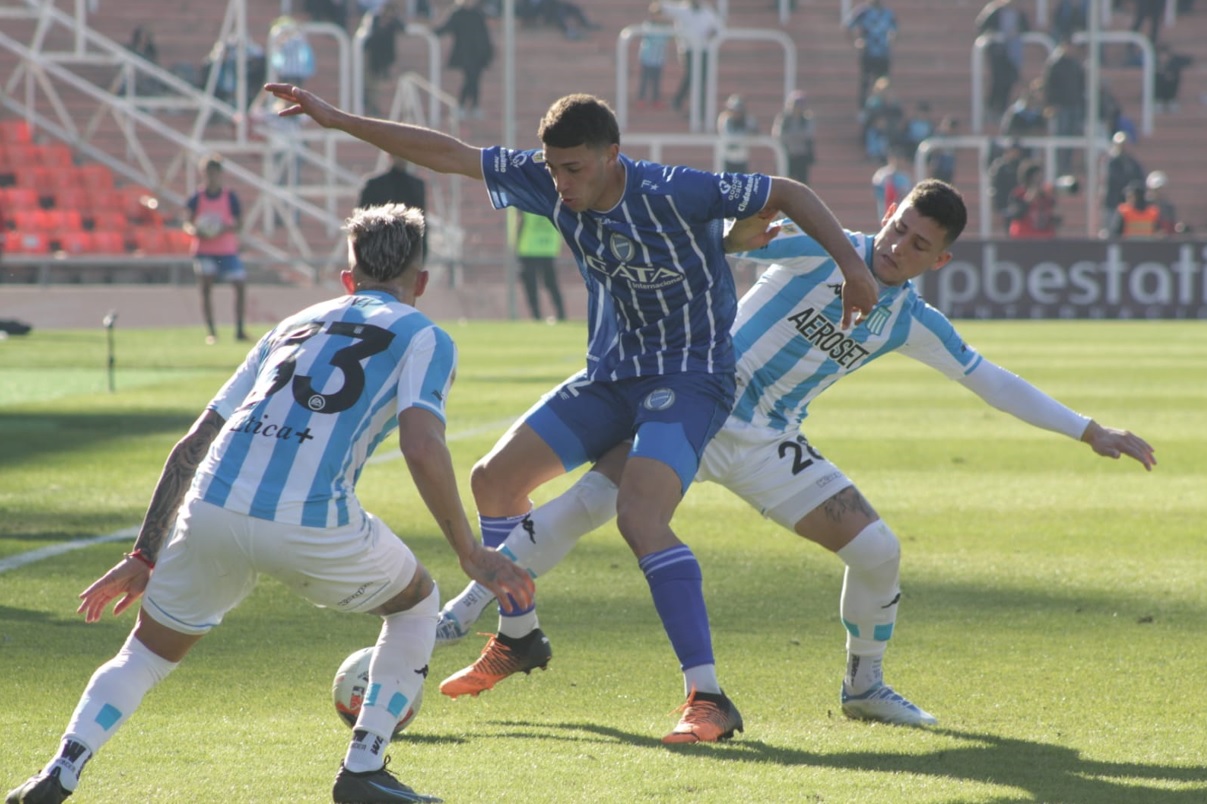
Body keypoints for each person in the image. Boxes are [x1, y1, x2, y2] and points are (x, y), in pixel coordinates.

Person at [263, 83, 879, 743]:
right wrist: (334, 119)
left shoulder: (677, 188)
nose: (559, 182)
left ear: (612, 154)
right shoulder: (544, 179)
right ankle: (519, 639)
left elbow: (785, 190)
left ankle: (708, 697)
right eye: (552, 167)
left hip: (690, 376)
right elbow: (447, 154)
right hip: (610, 375)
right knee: (494, 479)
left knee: (639, 519)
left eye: (574, 168)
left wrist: (850, 265)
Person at [432, 179, 1157, 729]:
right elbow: (714, 246)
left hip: (768, 441)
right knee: (587, 507)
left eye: (914, 244)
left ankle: (864, 687)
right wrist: (736, 234)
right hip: (691, 406)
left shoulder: (911, 319)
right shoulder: (821, 243)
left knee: (877, 552)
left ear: (938, 260)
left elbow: (989, 381)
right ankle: (459, 618)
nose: (894, 245)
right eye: (897, 226)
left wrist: (1088, 429)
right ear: (890, 213)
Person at [3, 204, 535, 804]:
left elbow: (193, 444)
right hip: (311, 520)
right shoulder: (425, 336)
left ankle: (60, 770)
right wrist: (469, 551)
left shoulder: (291, 325)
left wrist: (144, 555)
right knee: (416, 604)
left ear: (347, 278)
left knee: (145, 655)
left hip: (210, 509)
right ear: (421, 282)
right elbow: (421, 442)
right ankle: (363, 770)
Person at [184, 154, 247, 345]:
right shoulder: (197, 197)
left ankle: (239, 330)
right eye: (208, 173)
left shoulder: (230, 197)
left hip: (227, 250)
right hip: (204, 250)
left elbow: (239, 224)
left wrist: (223, 229)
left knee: (240, 284)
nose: (211, 177)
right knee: (206, 288)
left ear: (220, 174)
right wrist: (195, 230)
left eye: (214, 173)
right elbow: (187, 222)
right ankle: (211, 332)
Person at [658, 0, 723, 118]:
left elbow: (718, 27)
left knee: (699, 79)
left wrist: (712, 33)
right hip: (689, 50)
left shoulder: (707, 11)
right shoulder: (683, 10)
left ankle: (696, 107)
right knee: (692, 76)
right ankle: (683, 102)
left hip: (704, 51)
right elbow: (662, 7)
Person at [359, 155, 428, 259]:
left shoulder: (374, 184)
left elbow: (421, 222)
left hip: (400, 249)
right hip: (380, 249)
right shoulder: (416, 185)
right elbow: (361, 221)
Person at [434, 0, 494, 120]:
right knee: (470, 79)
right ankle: (463, 106)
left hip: (478, 54)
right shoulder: (458, 14)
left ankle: (473, 106)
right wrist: (433, 32)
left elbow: (484, 34)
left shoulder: (478, 14)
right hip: (465, 54)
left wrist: (488, 52)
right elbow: (446, 27)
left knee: (475, 80)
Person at [975, 0, 1031, 119]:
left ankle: (1003, 110)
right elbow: (983, 26)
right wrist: (993, 33)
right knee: (998, 81)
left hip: (1013, 53)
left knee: (1010, 81)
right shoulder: (994, 11)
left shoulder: (1019, 13)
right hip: (998, 53)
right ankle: (992, 108)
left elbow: (1027, 28)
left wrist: (1017, 30)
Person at [1042, 37, 1085, 175]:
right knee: (1060, 137)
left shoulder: (1075, 64)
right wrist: (1051, 104)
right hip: (1060, 107)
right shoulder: (1055, 64)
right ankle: (1058, 167)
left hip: (1074, 106)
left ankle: (1067, 165)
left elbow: (1081, 85)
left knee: (1071, 137)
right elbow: (1049, 86)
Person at [844, 0, 898, 110]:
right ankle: (863, 110)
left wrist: (892, 39)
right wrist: (856, 42)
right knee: (866, 82)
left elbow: (895, 29)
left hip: (883, 53)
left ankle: (882, 108)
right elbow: (848, 26)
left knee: (883, 83)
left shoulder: (887, 13)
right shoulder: (863, 12)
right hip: (868, 53)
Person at [514, 210, 566, 322]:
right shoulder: (553, 202)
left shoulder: (525, 201)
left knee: (531, 286)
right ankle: (561, 314)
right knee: (551, 284)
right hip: (549, 247)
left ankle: (536, 316)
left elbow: (520, 223)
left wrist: (515, 245)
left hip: (528, 248)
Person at [358, 0, 406, 116]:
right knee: (370, 84)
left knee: (377, 85)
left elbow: (403, 28)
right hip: (372, 58)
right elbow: (369, 38)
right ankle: (370, 106)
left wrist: (393, 19)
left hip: (385, 59)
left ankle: (374, 108)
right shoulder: (374, 19)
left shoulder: (393, 23)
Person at [1005, 159, 1061, 239]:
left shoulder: (1046, 195)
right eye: (1035, 177)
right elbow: (1015, 215)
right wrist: (1028, 200)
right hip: (1024, 237)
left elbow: (1055, 220)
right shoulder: (1018, 194)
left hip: (1045, 238)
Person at [1101, 131, 1146, 230]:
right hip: (1114, 203)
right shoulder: (1112, 162)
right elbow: (1115, 179)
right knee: (1111, 229)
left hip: (1129, 206)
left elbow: (1139, 178)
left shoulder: (1132, 162)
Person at [772, 90, 816, 184]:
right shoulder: (783, 119)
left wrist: (792, 135)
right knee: (785, 183)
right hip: (787, 155)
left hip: (801, 156)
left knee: (803, 183)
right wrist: (796, 136)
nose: (797, 108)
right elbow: (779, 135)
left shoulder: (807, 119)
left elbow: (808, 134)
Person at [636, 2, 672, 109]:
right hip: (647, 58)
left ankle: (656, 99)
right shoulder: (648, 25)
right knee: (645, 80)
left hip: (658, 59)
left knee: (656, 81)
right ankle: (641, 99)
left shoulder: (665, 28)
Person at [717, 93, 758, 173]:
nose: (737, 113)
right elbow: (725, 133)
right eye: (734, 110)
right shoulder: (725, 120)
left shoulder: (748, 120)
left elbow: (755, 132)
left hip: (742, 158)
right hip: (727, 158)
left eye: (739, 111)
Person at [871, 146, 912, 220]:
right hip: (886, 204)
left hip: (900, 204)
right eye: (896, 159)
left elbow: (908, 190)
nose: (898, 161)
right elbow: (877, 186)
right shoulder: (883, 173)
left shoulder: (904, 176)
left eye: (900, 159)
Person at [1145, 170, 1184, 235]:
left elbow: (1171, 225)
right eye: (1156, 189)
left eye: (1161, 189)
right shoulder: (1145, 206)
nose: (1159, 192)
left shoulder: (1168, 208)